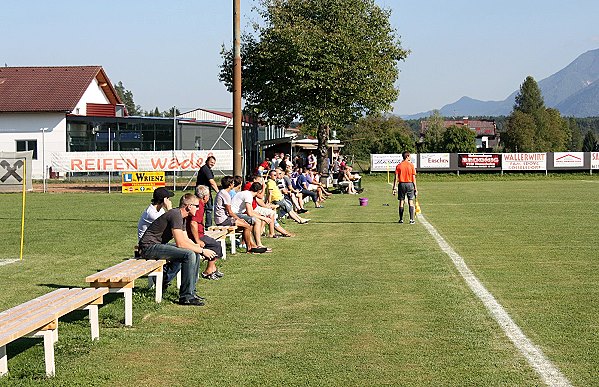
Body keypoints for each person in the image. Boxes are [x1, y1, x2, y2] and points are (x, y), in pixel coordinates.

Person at [138, 194, 217, 306]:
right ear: (189, 206)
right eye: (196, 206)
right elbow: (180, 243)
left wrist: (199, 249)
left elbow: (186, 239)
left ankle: (192, 292)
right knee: (189, 255)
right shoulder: (176, 215)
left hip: (156, 246)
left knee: (194, 252)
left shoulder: (181, 217)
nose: (198, 209)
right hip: (148, 248)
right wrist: (203, 251)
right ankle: (186, 296)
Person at [137, 187, 180, 287]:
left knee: (182, 250)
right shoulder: (151, 214)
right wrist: (169, 209)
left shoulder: (159, 211)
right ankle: (164, 280)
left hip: (157, 242)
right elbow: (170, 224)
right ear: (164, 200)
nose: (170, 201)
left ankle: (164, 277)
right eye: (168, 199)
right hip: (148, 246)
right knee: (181, 254)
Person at [214, 175, 262, 253]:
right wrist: (239, 219)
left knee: (246, 226)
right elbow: (230, 212)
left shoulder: (222, 192)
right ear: (230, 184)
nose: (234, 184)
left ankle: (250, 246)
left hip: (222, 218)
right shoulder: (225, 194)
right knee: (247, 225)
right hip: (223, 219)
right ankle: (249, 248)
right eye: (233, 183)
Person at [187, 185, 224, 280]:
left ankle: (213, 268)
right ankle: (208, 270)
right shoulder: (198, 205)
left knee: (214, 244)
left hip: (199, 233)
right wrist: (197, 240)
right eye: (209, 195)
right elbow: (193, 223)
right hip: (196, 235)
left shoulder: (199, 203)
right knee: (216, 245)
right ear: (205, 197)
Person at [231, 181, 272, 253]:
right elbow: (250, 213)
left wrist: (261, 216)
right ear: (259, 191)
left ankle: (254, 245)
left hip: (235, 214)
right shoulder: (249, 196)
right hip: (234, 215)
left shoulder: (246, 193)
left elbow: (251, 211)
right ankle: (259, 244)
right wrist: (264, 218)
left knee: (255, 220)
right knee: (256, 221)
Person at [392, 151, 418, 224]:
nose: (410, 157)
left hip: (402, 184)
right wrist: (416, 188)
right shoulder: (411, 165)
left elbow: (396, 178)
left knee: (401, 201)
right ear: (407, 156)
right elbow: (414, 178)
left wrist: (394, 188)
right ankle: (411, 219)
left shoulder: (399, 166)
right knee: (410, 201)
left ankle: (401, 219)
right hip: (410, 184)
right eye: (409, 156)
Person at [195, 155, 219, 228]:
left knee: (200, 209)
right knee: (208, 209)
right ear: (207, 161)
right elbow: (212, 182)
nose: (212, 164)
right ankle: (208, 226)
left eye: (214, 163)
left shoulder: (206, 169)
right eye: (211, 162)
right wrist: (218, 192)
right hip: (203, 192)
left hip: (202, 192)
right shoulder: (206, 169)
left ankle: (200, 225)